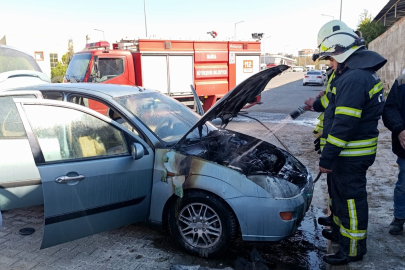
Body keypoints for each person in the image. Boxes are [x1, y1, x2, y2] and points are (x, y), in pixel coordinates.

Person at [312, 20, 387, 265]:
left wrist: (327, 156)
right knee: (341, 196)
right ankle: (339, 232)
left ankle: (353, 249)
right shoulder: (356, 75)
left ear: (341, 50)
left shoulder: (354, 79)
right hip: (348, 154)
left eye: (331, 59)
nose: (330, 65)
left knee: (351, 201)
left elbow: (344, 125)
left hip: (350, 155)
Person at [305, 66, 335, 229]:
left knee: (342, 190)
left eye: (331, 58)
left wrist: (316, 103)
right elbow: (331, 99)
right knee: (333, 187)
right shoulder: (336, 74)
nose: (330, 63)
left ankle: (349, 246)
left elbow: (332, 104)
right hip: (332, 143)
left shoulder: (347, 77)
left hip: (341, 151)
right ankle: (334, 218)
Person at [382, 68, 405, 235]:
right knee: (404, 185)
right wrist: (400, 129)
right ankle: (399, 217)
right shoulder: (402, 81)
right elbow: (390, 109)